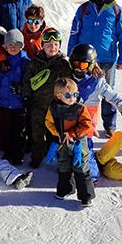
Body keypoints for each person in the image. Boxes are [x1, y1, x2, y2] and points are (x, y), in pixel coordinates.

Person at [67, 0, 122, 138]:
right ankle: (80, 121)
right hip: (84, 59)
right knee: (83, 90)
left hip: (106, 59)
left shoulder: (115, 10)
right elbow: (75, 33)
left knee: (107, 92)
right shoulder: (84, 9)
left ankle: (109, 125)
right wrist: (71, 55)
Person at [68, 44, 122, 183]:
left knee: (84, 147)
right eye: (75, 63)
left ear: (91, 65)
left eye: (83, 65)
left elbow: (112, 96)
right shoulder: (66, 76)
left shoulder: (97, 81)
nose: (78, 68)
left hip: (86, 123)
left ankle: (90, 172)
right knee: (69, 147)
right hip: (69, 121)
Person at [23, 27, 72, 168]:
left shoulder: (63, 64)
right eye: (49, 45)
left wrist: (66, 101)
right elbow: (27, 80)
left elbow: (68, 84)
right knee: (37, 132)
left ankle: (55, 156)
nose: (53, 47)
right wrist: (27, 96)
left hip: (56, 106)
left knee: (54, 133)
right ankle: (37, 156)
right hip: (38, 105)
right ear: (42, 45)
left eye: (56, 44)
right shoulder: (35, 62)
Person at [44, 78, 96, 207]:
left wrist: (72, 134)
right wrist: (57, 133)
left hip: (78, 144)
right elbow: (48, 122)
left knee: (81, 168)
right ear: (59, 96)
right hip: (62, 143)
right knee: (63, 167)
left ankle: (86, 195)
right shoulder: (53, 109)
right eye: (68, 95)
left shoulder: (80, 108)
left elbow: (87, 124)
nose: (72, 98)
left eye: (75, 94)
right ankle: (65, 189)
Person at [0, 29, 30, 165]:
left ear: (21, 46)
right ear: (5, 47)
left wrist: (22, 91)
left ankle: (18, 154)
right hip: (4, 104)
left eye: (16, 45)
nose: (13, 48)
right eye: (10, 45)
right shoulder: (2, 64)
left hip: (19, 104)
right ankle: (7, 152)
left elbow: (30, 82)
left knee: (19, 131)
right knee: (6, 129)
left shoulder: (25, 63)